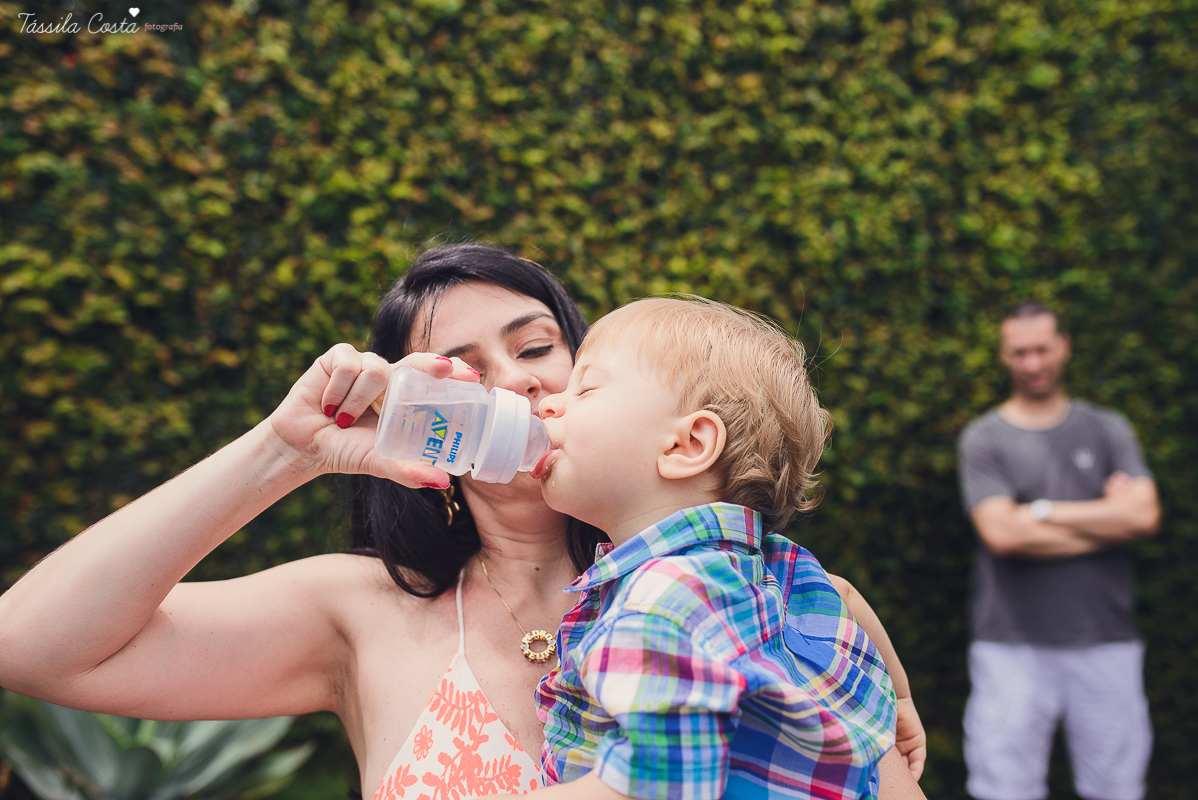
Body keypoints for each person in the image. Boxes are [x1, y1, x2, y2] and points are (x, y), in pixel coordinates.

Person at [0, 244, 922, 798]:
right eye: (463, 367)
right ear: (420, 412)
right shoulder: (360, 613)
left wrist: (859, 641)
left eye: (539, 348)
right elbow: (31, 646)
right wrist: (286, 452)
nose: (518, 382)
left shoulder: (763, 602)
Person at [496, 297, 918, 800]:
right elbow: (843, 597)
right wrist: (899, 701)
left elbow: (655, 781)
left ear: (688, 445)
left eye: (585, 389)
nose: (547, 403)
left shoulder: (663, 595)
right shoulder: (767, 561)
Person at [958, 301, 1160, 800]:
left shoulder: (1107, 428)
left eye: (1042, 349)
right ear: (1004, 356)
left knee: (1117, 787)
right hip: (1010, 644)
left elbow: (1144, 515)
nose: (1032, 363)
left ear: (1064, 347)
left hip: (1107, 639)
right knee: (1004, 789)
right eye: (1019, 352)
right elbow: (1002, 534)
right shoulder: (984, 437)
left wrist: (1042, 511)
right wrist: (1106, 519)